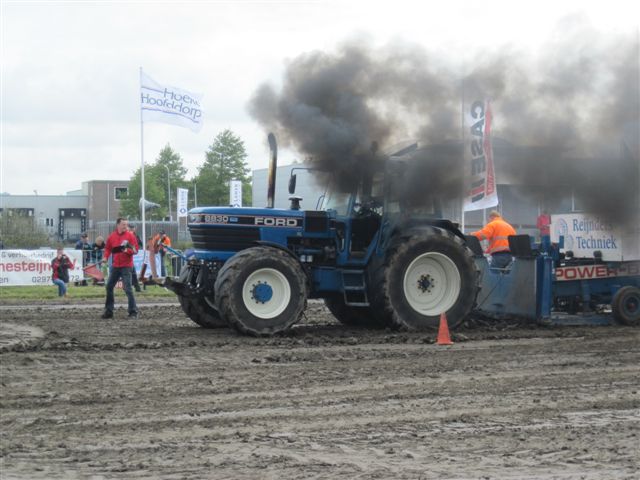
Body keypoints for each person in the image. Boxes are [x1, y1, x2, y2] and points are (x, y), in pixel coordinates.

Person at [101, 218, 139, 319]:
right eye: (123, 224)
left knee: (128, 288)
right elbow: (108, 248)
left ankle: (133, 312)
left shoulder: (130, 236)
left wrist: (126, 250)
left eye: (126, 224)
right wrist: (105, 257)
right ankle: (109, 311)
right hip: (115, 266)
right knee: (109, 286)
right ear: (117, 225)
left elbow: (135, 250)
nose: (125, 226)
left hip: (126, 266)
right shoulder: (112, 236)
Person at [128, 225, 143, 292]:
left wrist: (135, 249)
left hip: (130, 257)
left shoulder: (135, 236)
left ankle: (137, 288)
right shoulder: (126, 236)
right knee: (130, 273)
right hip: (125, 258)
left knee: (133, 273)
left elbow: (139, 244)